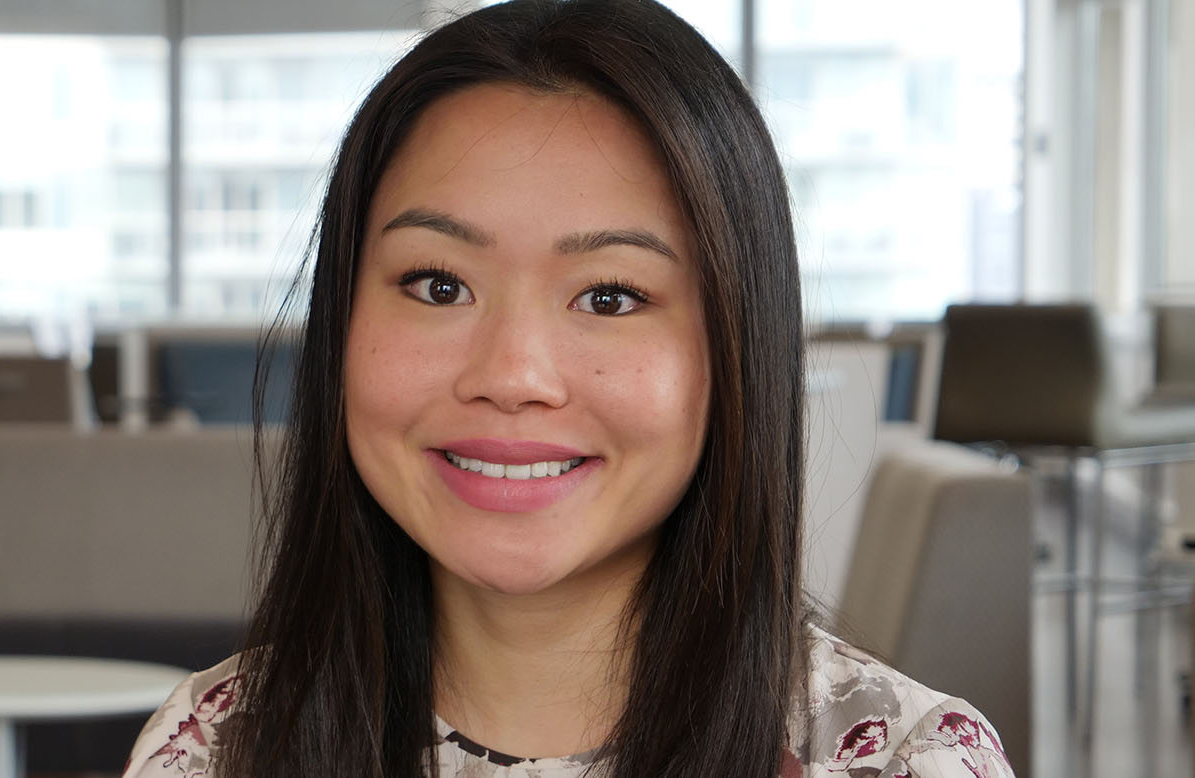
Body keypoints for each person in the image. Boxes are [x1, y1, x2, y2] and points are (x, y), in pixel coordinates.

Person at [119, 2, 1015, 777]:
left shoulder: (904, 760)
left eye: (611, 296)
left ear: (734, 351)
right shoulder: (212, 747)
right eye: (439, 284)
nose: (512, 375)